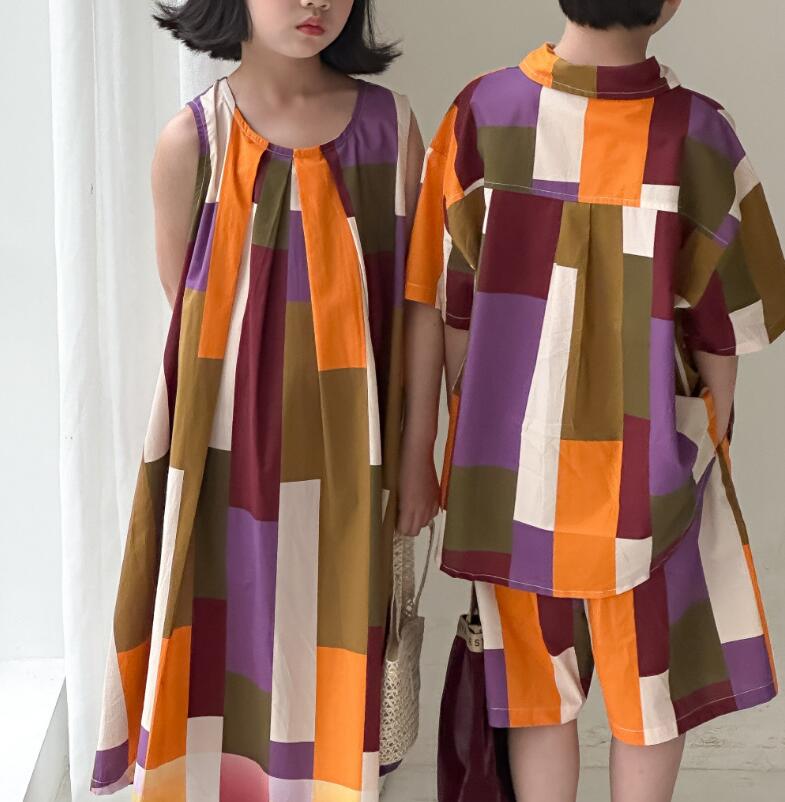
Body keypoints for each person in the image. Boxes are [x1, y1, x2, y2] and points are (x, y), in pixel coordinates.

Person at [404, 1, 785, 800]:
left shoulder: (482, 111)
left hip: (506, 470)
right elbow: (724, 327)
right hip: (646, 470)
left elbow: (449, 307)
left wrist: (471, 430)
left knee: (537, 698)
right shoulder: (697, 131)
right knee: (650, 697)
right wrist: (703, 441)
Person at [90, 1, 433, 799]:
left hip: (357, 454)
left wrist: (419, 450)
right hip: (223, 455)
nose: (314, 2)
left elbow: (420, 302)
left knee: (337, 641)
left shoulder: (393, 130)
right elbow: (194, 322)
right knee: (227, 644)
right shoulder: (192, 140)